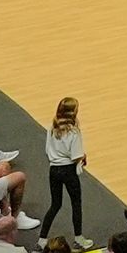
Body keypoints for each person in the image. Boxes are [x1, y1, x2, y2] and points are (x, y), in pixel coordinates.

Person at [42, 98, 88, 237]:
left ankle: (42, 239)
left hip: (54, 170)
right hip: (68, 171)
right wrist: (83, 157)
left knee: (55, 205)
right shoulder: (73, 132)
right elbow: (75, 156)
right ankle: (79, 239)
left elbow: (47, 150)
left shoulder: (52, 129)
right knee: (76, 204)